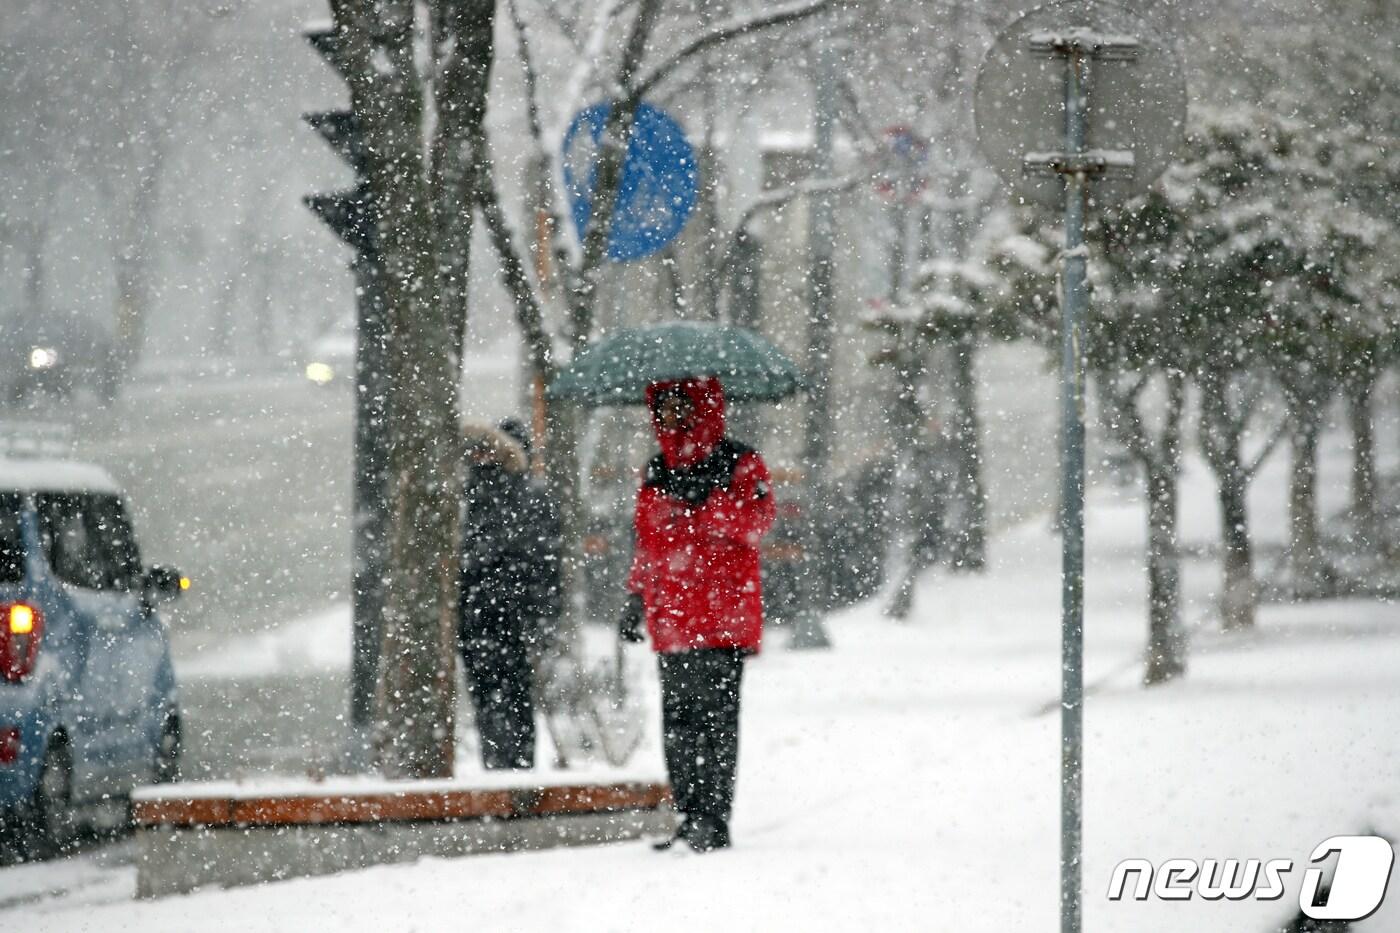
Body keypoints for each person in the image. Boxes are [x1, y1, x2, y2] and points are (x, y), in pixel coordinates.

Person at [621, 376, 775, 852]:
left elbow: (759, 520)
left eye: (676, 408)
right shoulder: (657, 469)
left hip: (722, 615)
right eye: (661, 410)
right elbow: (647, 541)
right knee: (678, 722)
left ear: (697, 408)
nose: (667, 419)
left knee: (716, 723)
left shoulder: (740, 461)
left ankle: (713, 818)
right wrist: (635, 596)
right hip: (672, 617)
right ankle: (688, 815)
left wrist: (705, 511)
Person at [458, 418, 561, 770]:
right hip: (500, 614)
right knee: (505, 695)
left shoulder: (477, 496)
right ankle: (511, 766)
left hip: (492, 614)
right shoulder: (525, 496)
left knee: (500, 695)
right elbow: (547, 562)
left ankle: (507, 766)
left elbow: (543, 561)